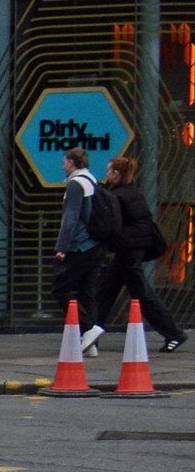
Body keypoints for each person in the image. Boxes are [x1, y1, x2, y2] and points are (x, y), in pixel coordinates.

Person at [93, 156, 185, 351]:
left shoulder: (119, 195)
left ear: (116, 174)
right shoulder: (130, 191)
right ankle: (91, 333)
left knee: (141, 293)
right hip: (130, 249)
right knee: (106, 291)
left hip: (128, 250)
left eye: (109, 171)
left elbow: (113, 224)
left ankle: (174, 334)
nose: (106, 174)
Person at [51, 145, 111, 351]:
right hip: (96, 245)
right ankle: (91, 344)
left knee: (59, 288)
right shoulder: (92, 180)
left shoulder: (75, 185)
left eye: (64, 163)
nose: (62, 167)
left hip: (81, 246)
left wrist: (61, 247)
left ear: (71, 162)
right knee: (87, 292)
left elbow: (70, 219)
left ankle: (89, 328)